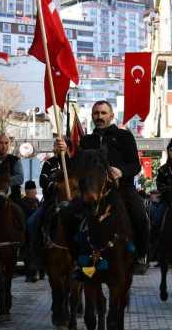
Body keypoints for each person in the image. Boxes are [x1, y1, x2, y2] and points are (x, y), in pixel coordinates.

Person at [56, 100, 149, 273]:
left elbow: (135, 165)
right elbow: (75, 169)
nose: (99, 117)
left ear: (111, 116)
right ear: (92, 116)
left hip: (121, 189)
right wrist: (63, 153)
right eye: (96, 113)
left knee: (140, 216)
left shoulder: (124, 136)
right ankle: (75, 257)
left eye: (103, 113)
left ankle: (140, 256)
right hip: (92, 192)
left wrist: (121, 171)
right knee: (67, 215)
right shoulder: (86, 141)